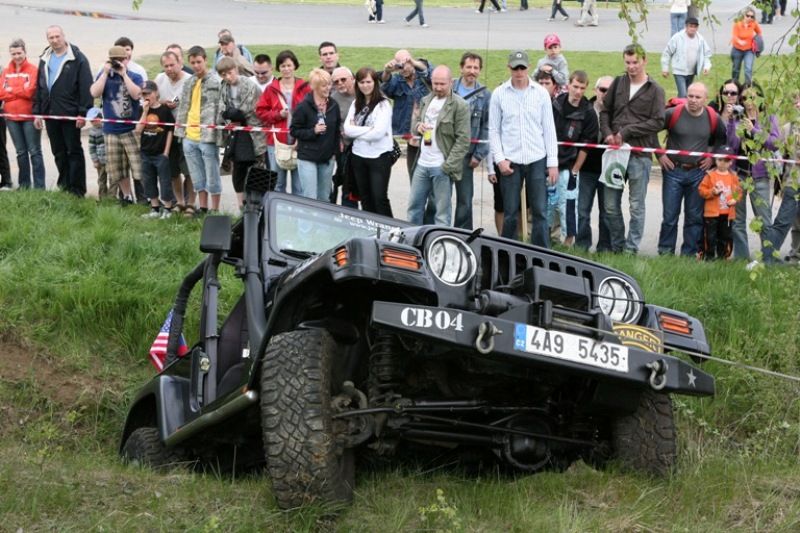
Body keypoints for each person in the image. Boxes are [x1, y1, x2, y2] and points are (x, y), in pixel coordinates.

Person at [599, 44, 665, 254]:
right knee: (610, 205)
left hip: (639, 153)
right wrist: (607, 132)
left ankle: (631, 249)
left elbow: (657, 122)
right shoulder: (619, 82)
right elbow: (604, 110)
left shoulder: (655, 89)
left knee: (636, 206)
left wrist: (628, 131)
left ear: (644, 60)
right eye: (628, 62)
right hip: (616, 154)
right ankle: (618, 245)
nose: (631, 66)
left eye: (635, 62)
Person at [489, 50, 559, 247]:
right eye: (515, 67)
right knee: (510, 212)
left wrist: (552, 162)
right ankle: (507, 251)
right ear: (509, 68)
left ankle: (541, 253)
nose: (519, 71)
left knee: (539, 211)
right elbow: (494, 130)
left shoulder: (541, 93)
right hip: (511, 159)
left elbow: (549, 129)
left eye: (522, 67)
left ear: (528, 68)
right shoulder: (499, 94)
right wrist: (499, 159)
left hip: (537, 158)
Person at [657, 82, 726, 257]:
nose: (693, 100)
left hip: (698, 173)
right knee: (670, 216)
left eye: (698, 97)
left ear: (705, 99)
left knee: (694, 217)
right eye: (690, 96)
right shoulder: (673, 113)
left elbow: (721, 139)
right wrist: (660, 155)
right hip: (673, 171)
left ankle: (689, 253)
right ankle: (665, 252)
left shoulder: (713, 118)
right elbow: (650, 131)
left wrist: (711, 157)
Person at [32, 25, 93, 197]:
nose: (54, 40)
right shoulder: (45, 58)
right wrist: (38, 112)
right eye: (51, 37)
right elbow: (40, 86)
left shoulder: (77, 58)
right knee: (58, 151)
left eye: (57, 36)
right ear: (48, 39)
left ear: (63, 36)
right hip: (50, 113)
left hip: (70, 113)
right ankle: (64, 185)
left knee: (73, 151)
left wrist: (83, 112)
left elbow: (86, 86)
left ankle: (77, 189)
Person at [407, 66, 470, 226]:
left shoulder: (460, 105)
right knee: (414, 208)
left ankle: (441, 246)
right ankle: (411, 245)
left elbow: (463, 140)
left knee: (442, 214)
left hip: (441, 166)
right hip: (422, 164)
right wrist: (418, 127)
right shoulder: (426, 100)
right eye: (435, 84)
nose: (438, 88)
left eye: (442, 84)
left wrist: (447, 166)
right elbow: (416, 123)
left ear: (451, 82)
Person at [725, 83, 780, 260]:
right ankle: (741, 259)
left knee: (764, 220)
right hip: (739, 174)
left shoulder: (767, 118)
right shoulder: (738, 118)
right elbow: (732, 144)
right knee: (738, 220)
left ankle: (768, 258)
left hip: (760, 176)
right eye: (745, 98)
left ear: (760, 98)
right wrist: (733, 121)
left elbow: (774, 143)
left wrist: (754, 130)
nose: (749, 102)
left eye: (753, 97)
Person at [89, 45, 143, 204]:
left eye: (121, 59)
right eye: (115, 60)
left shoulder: (134, 75)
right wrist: (105, 73)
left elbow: (137, 94)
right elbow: (94, 93)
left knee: (138, 167)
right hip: (111, 130)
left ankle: (144, 197)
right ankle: (126, 196)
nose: (118, 63)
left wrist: (124, 74)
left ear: (127, 59)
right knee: (117, 169)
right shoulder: (104, 76)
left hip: (131, 129)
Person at [552, 70, 598, 248]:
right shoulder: (556, 104)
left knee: (569, 203)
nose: (578, 91)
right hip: (551, 163)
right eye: (575, 86)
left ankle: (568, 242)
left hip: (571, 164)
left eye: (582, 88)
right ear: (568, 85)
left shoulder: (588, 112)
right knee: (549, 203)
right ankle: (548, 238)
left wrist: (575, 170)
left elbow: (586, 146)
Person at [175, 45, 223, 214]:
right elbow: (183, 107)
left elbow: (220, 107)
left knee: (212, 174)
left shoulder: (216, 81)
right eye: (193, 62)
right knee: (197, 175)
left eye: (199, 62)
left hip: (207, 136)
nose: (196, 65)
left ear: (205, 60)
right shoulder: (189, 81)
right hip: (189, 135)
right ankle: (202, 207)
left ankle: (215, 209)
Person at [256, 49, 311, 195]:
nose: (286, 69)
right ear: (278, 68)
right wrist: (278, 114)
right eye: (283, 66)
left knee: (298, 186)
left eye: (289, 65)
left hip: (299, 141)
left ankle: (297, 216)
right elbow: (261, 112)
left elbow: (312, 112)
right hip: (276, 143)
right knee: (277, 184)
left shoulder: (305, 87)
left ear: (295, 66)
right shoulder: (271, 89)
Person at [343, 67, 394, 216]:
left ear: (375, 83)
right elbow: (347, 130)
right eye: (362, 82)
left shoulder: (383, 105)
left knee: (379, 198)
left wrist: (357, 131)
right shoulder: (355, 104)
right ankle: (371, 231)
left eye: (369, 82)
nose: (365, 85)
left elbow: (378, 134)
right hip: (358, 156)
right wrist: (368, 129)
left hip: (379, 157)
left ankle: (390, 230)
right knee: (365, 198)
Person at [216, 57, 266, 208]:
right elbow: (221, 109)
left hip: (253, 133)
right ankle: (240, 204)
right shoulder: (223, 87)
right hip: (235, 134)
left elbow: (252, 110)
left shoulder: (250, 86)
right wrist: (228, 118)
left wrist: (235, 115)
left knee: (257, 168)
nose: (227, 77)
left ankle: (257, 203)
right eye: (223, 75)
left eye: (230, 73)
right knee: (238, 168)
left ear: (236, 70)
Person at [452, 52, 491, 229]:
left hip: (467, 155)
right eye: (468, 67)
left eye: (476, 68)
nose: (472, 71)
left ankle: (462, 236)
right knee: (438, 198)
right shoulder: (449, 87)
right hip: (445, 151)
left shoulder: (485, 95)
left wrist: (479, 154)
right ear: (461, 68)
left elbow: (487, 126)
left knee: (465, 200)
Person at [291, 68, 341, 202]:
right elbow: (294, 130)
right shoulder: (303, 107)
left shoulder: (333, 105)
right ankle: (305, 224)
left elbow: (336, 131)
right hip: (307, 157)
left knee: (324, 197)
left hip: (327, 158)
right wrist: (313, 131)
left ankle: (322, 224)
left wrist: (335, 153)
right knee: (310, 198)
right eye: (324, 85)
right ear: (315, 87)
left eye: (329, 84)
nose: (328, 88)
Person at [0, 38, 44, 189]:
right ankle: (24, 185)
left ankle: (39, 187)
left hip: (29, 117)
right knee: (20, 152)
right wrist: (19, 92)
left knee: (34, 151)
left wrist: (12, 91)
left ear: (25, 52)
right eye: (13, 54)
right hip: (11, 117)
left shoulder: (33, 70)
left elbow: (31, 91)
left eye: (19, 53)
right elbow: (1, 93)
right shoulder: (6, 71)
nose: (17, 56)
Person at [380, 50, 432, 178]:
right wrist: (387, 71)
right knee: (414, 176)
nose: (403, 69)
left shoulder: (424, 78)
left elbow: (429, 71)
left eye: (405, 64)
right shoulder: (397, 81)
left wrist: (413, 62)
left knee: (431, 171)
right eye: (400, 66)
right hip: (409, 135)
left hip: (428, 132)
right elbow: (385, 86)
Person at [154, 49, 194, 214]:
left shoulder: (189, 80)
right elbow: (153, 98)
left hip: (186, 131)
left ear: (180, 63)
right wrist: (163, 102)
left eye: (172, 65)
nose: (169, 69)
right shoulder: (160, 79)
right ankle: (180, 202)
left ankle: (191, 203)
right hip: (167, 132)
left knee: (190, 171)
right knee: (173, 171)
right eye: (166, 66)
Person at [576, 76, 613, 252]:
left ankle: (605, 248)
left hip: (608, 169)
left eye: (609, 90)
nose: (605, 94)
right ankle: (582, 245)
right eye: (602, 89)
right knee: (582, 210)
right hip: (586, 168)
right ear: (595, 90)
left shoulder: (617, 112)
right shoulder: (585, 109)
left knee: (607, 212)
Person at [136, 81, 176, 218]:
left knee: (165, 181)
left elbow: (170, 130)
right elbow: (138, 130)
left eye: (148, 93)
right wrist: (145, 112)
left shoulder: (164, 110)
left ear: (156, 93)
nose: (146, 96)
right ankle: (155, 208)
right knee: (149, 180)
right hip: (146, 152)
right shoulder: (142, 110)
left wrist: (166, 152)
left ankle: (168, 208)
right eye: (143, 94)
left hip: (160, 153)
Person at [698, 145, 741, 260]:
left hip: (727, 214)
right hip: (711, 213)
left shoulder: (734, 177)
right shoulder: (710, 175)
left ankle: (723, 258)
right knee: (710, 237)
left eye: (726, 160)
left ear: (731, 162)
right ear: (715, 160)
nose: (723, 163)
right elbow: (701, 190)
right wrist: (712, 192)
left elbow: (738, 191)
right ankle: (709, 257)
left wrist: (735, 199)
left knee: (725, 237)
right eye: (720, 159)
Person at [660, 17, 712, 98]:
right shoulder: (677, 38)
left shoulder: (700, 39)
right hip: (679, 71)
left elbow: (706, 54)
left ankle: (677, 107)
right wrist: (665, 68)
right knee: (683, 94)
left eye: (695, 27)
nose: (693, 29)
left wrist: (706, 67)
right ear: (686, 26)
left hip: (691, 72)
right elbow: (667, 53)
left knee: (688, 94)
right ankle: (682, 108)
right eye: (691, 26)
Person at [330, 66, 358, 207]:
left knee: (358, 188)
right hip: (344, 150)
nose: (340, 83)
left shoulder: (363, 92)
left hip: (364, 148)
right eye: (336, 82)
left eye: (343, 79)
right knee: (343, 185)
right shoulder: (333, 99)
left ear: (352, 79)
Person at [730, 6, 762, 86]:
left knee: (748, 69)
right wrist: (739, 41)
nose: (749, 18)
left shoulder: (753, 24)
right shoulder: (737, 24)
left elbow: (759, 33)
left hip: (749, 50)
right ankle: (734, 85)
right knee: (736, 69)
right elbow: (734, 36)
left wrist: (757, 40)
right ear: (744, 15)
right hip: (737, 49)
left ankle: (748, 87)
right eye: (748, 15)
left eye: (752, 16)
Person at [86, 107, 110, 199]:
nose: (93, 123)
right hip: (100, 161)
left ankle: (113, 197)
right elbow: (91, 147)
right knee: (101, 180)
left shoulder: (108, 127)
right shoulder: (92, 132)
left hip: (110, 159)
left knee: (114, 180)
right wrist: (95, 160)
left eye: (94, 120)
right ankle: (103, 198)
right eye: (91, 121)